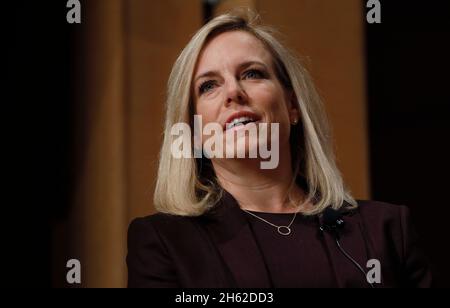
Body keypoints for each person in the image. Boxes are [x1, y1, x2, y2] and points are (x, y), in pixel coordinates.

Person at [126, 10, 432, 288]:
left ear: (292, 106)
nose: (233, 92)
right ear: (193, 131)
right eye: (208, 86)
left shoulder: (387, 231)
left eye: (252, 73)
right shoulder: (165, 244)